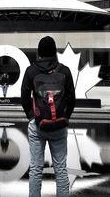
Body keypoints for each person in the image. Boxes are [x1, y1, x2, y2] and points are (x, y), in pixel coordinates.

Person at [21, 36, 75, 197]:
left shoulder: (31, 71)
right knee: (61, 170)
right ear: (54, 51)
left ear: (39, 52)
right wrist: (65, 117)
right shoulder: (64, 71)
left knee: (36, 169)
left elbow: (24, 98)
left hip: (38, 125)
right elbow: (72, 99)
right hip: (59, 126)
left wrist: (31, 117)